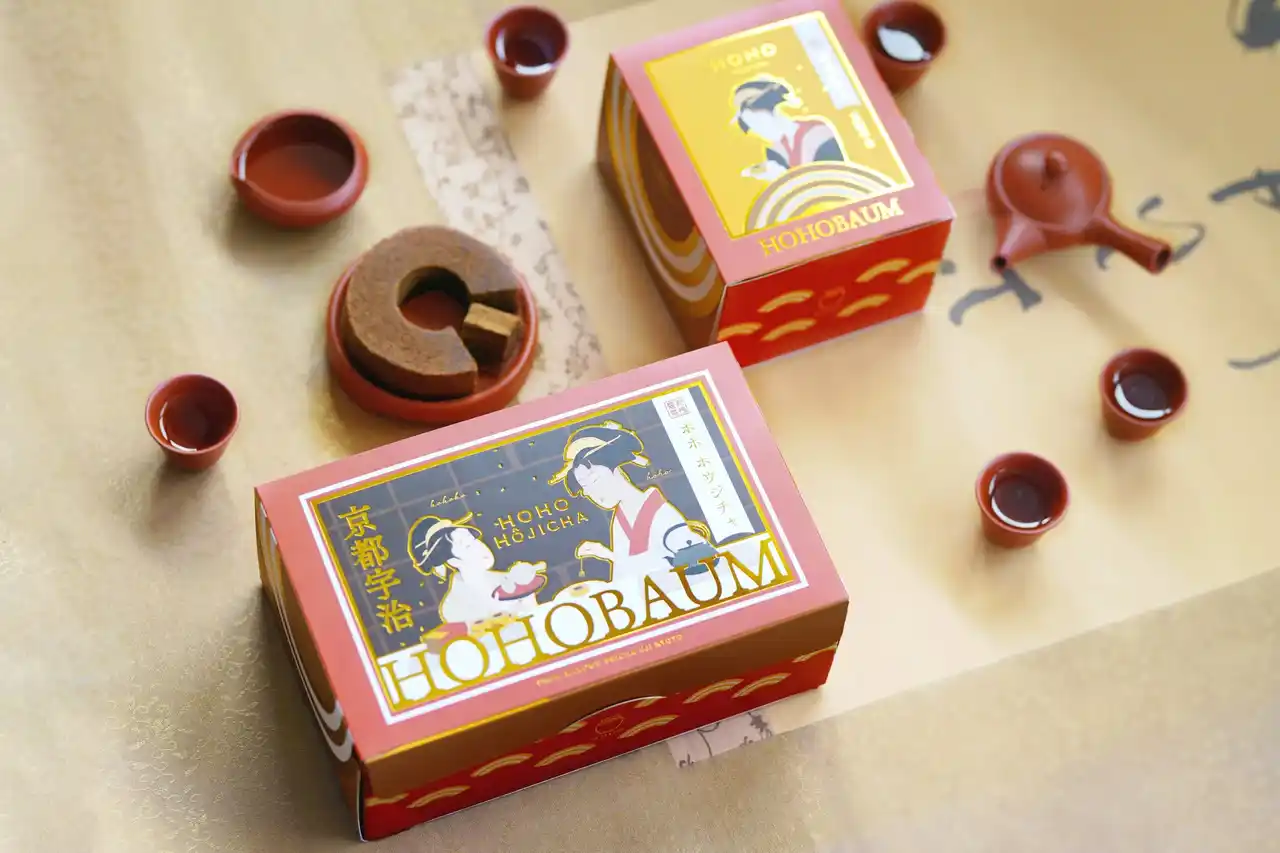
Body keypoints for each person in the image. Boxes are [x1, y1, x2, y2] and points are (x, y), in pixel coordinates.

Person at [548, 421, 694, 584]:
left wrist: (609, 556)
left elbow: (698, 567)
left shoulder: (662, 513)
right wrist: (606, 554)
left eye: (594, 480)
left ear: (616, 470)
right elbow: (628, 573)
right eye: (584, 487)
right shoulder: (620, 519)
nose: (590, 492)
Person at [406, 512, 545, 627]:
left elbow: (538, 621)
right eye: (467, 546)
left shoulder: (506, 578)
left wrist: (525, 590)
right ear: (453, 561)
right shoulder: (453, 606)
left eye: (473, 539)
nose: (480, 547)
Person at [732, 78, 847, 183]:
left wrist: (786, 177)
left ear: (772, 109)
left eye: (757, 123)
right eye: (750, 126)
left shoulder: (817, 131)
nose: (757, 131)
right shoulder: (775, 151)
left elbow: (836, 179)